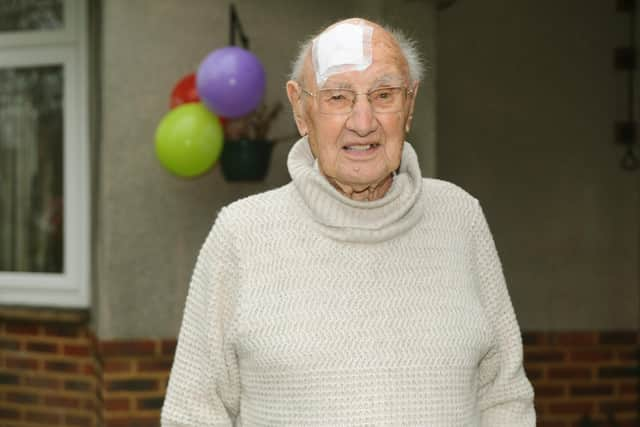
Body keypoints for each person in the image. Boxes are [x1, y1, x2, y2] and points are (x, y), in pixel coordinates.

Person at [161, 17, 535, 426]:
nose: (362, 121)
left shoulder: (461, 218)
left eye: (384, 94)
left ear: (409, 106)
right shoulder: (241, 234)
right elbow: (193, 414)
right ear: (302, 110)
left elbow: (504, 397)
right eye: (338, 97)